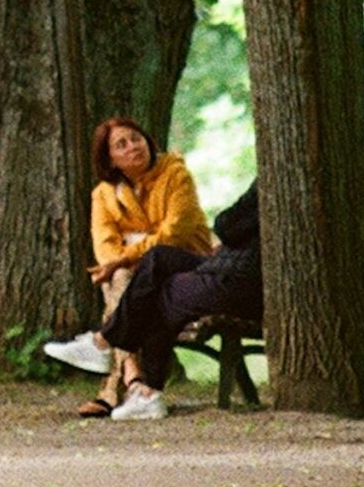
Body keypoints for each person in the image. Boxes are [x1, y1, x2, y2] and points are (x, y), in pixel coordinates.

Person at [43, 117, 214, 417]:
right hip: (140, 281)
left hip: (185, 267)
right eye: (121, 144)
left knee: (125, 275)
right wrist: (129, 256)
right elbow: (107, 252)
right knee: (120, 278)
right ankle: (135, 382)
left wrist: (129, 252)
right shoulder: (104, 194)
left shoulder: (175, 174)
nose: (133, 146)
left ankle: (110, 370)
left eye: (136, 138)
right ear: (110, 158)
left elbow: (176, 233)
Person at [96, 182, 261, 420]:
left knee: (162, 292)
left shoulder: (271, 183)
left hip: (241, 279)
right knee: (159, 258)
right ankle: (106, 341)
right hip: (229, 267)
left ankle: (148, 390)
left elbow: (227, 226)